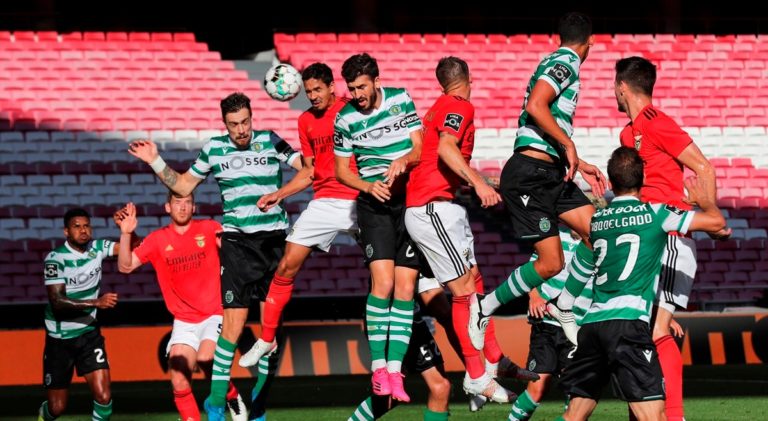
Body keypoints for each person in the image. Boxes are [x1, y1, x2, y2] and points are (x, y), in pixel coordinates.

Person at [127, 92, 310, 421]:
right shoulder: (214, 148)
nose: (241, 130)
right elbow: (183, 187)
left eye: (245, 122)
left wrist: (280, 194)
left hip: (273, 242)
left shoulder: (271, 141)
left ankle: (260, 402)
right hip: (238, 243)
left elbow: (307, 169)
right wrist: (156, 160)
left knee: (271, 336)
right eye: (233, 124)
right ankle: (214, 405)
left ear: (252, 117)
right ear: (224, 124)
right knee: (233, 329)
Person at [468, 11, 607, 347]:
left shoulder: (560, 61)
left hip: (551, 172)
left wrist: (579, 160)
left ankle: (565, 305)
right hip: (529, 175)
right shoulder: (566, 62)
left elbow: (541, 125)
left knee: (598, 235)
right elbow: (536, 105)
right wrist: (569, 142)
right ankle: (484, 307)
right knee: (551, 263)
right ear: (590, 41)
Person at [557, 146, 726, 421]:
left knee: (574, 415)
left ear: (611, 183)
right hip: (628, 326)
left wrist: (564, 305)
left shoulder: (597, 221)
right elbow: (717, 222)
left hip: (592, 325)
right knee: (654, 417)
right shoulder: (656, 214)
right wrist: (703, 201)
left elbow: (580, 271)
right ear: (643, 178)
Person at [614, 56, 731, 421]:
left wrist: (709, 210)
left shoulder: (657, 123)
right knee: (643, 330)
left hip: (669, 235)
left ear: (622, 87)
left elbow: (703, 166)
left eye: (613, 87)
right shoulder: (627, 134)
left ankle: (675, 416)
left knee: (658, 328)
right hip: (646, 234)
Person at [403, 56, 515, 403]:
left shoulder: (438, 106)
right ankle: (476, 375)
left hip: (440, 203)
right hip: (431, 207)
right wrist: (478, 183)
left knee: (475, 281)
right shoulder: (458, 106)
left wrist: (479, 181)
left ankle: (493, 358)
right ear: (469, 77)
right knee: (465, 292)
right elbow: (448, 149)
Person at [239, 62, 358, 367]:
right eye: (308, 91)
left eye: (318, 89)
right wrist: (278, 194)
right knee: (287, 264)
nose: (313, 96)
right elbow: (309, 171)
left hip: (361, 197)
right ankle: (266, 339)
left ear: (332, 87)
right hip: (325, 201)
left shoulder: (352, 110)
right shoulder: (305, 121)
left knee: (394, 268)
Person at [333, 52, 424, 402]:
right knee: (383, 283)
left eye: (361, 86)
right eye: (352, 88)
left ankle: (397, 373)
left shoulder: (401, 98)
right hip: (374, 205)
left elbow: (419, 147)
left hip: (409, 204)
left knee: (406, 288)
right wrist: (368, 186)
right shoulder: (345, 119)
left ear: (376, 80)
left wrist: (404, 159)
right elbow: (342, 171)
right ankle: (378, 369)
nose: (356, 94)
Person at [114, 194, 247, 421]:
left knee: (207, 358)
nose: (182, 207)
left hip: (214, 312)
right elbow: (125, 267)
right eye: (177, 202)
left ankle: (232, 396)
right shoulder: (157, 240)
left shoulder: (209, 228)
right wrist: (126, 233)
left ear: (194, 206)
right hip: (184, 320)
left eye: (187, 202)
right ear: (167, 207)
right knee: (178, 379)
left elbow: (237, 255)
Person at [38, 208, 119, 421]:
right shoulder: (55, 259)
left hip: (89, 334)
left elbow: (134, 248)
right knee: (57, 408)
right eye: (77, 226)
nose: (83, 231)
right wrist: (96, 302)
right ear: (66, 231)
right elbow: (57, 302)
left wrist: (127, 231)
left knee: (104, 396)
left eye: (86, 226)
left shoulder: (98, 248)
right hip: (60, 339)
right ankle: (43, 415)